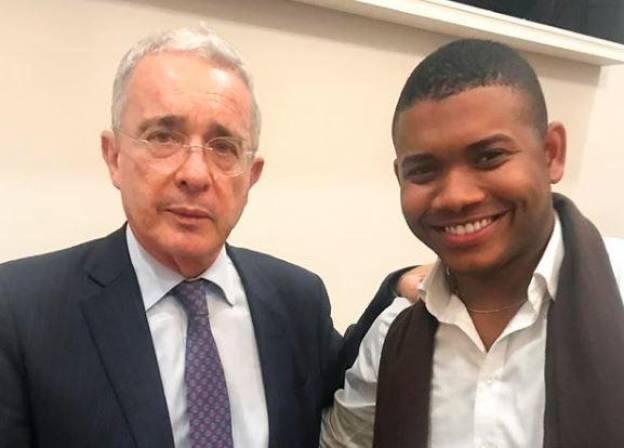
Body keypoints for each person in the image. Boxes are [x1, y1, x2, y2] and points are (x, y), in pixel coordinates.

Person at [0, 26, 413, 448]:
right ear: (114, 157)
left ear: (251, 176)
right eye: (163, 137)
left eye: (224, 147)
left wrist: (399, 288)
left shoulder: (298, 300)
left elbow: (349, 405)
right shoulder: (20, 310)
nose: (195, 174)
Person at [321, 38, 624, 448]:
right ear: (399, 178)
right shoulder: (394, 335)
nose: (456, 197)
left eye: (488, 157)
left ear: (551, 153)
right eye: (423, 170)